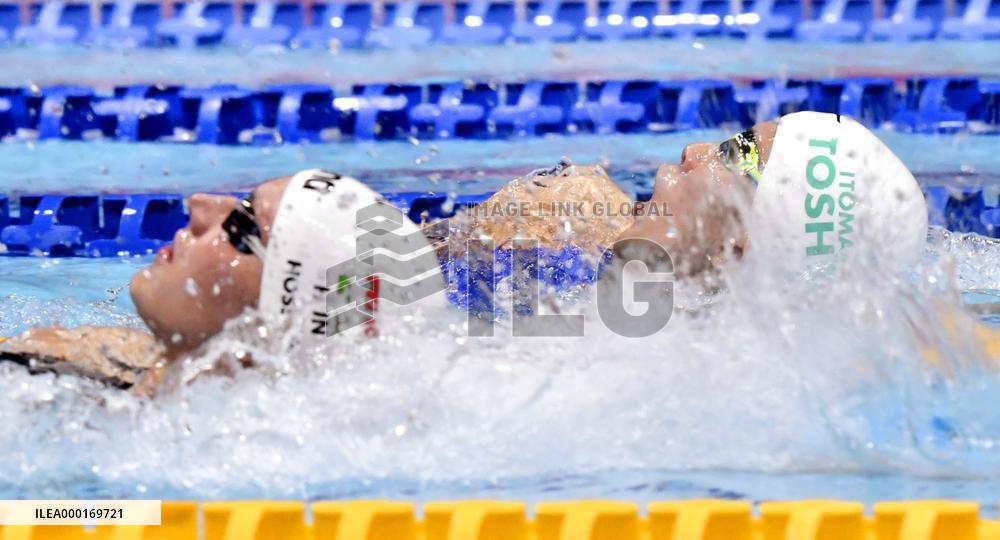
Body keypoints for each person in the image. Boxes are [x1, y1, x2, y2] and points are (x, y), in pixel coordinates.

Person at [2, 111, 986, 393]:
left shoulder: (661, 379)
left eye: (731, 154)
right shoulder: (570, 228)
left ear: (740, 248)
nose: (690, 149)